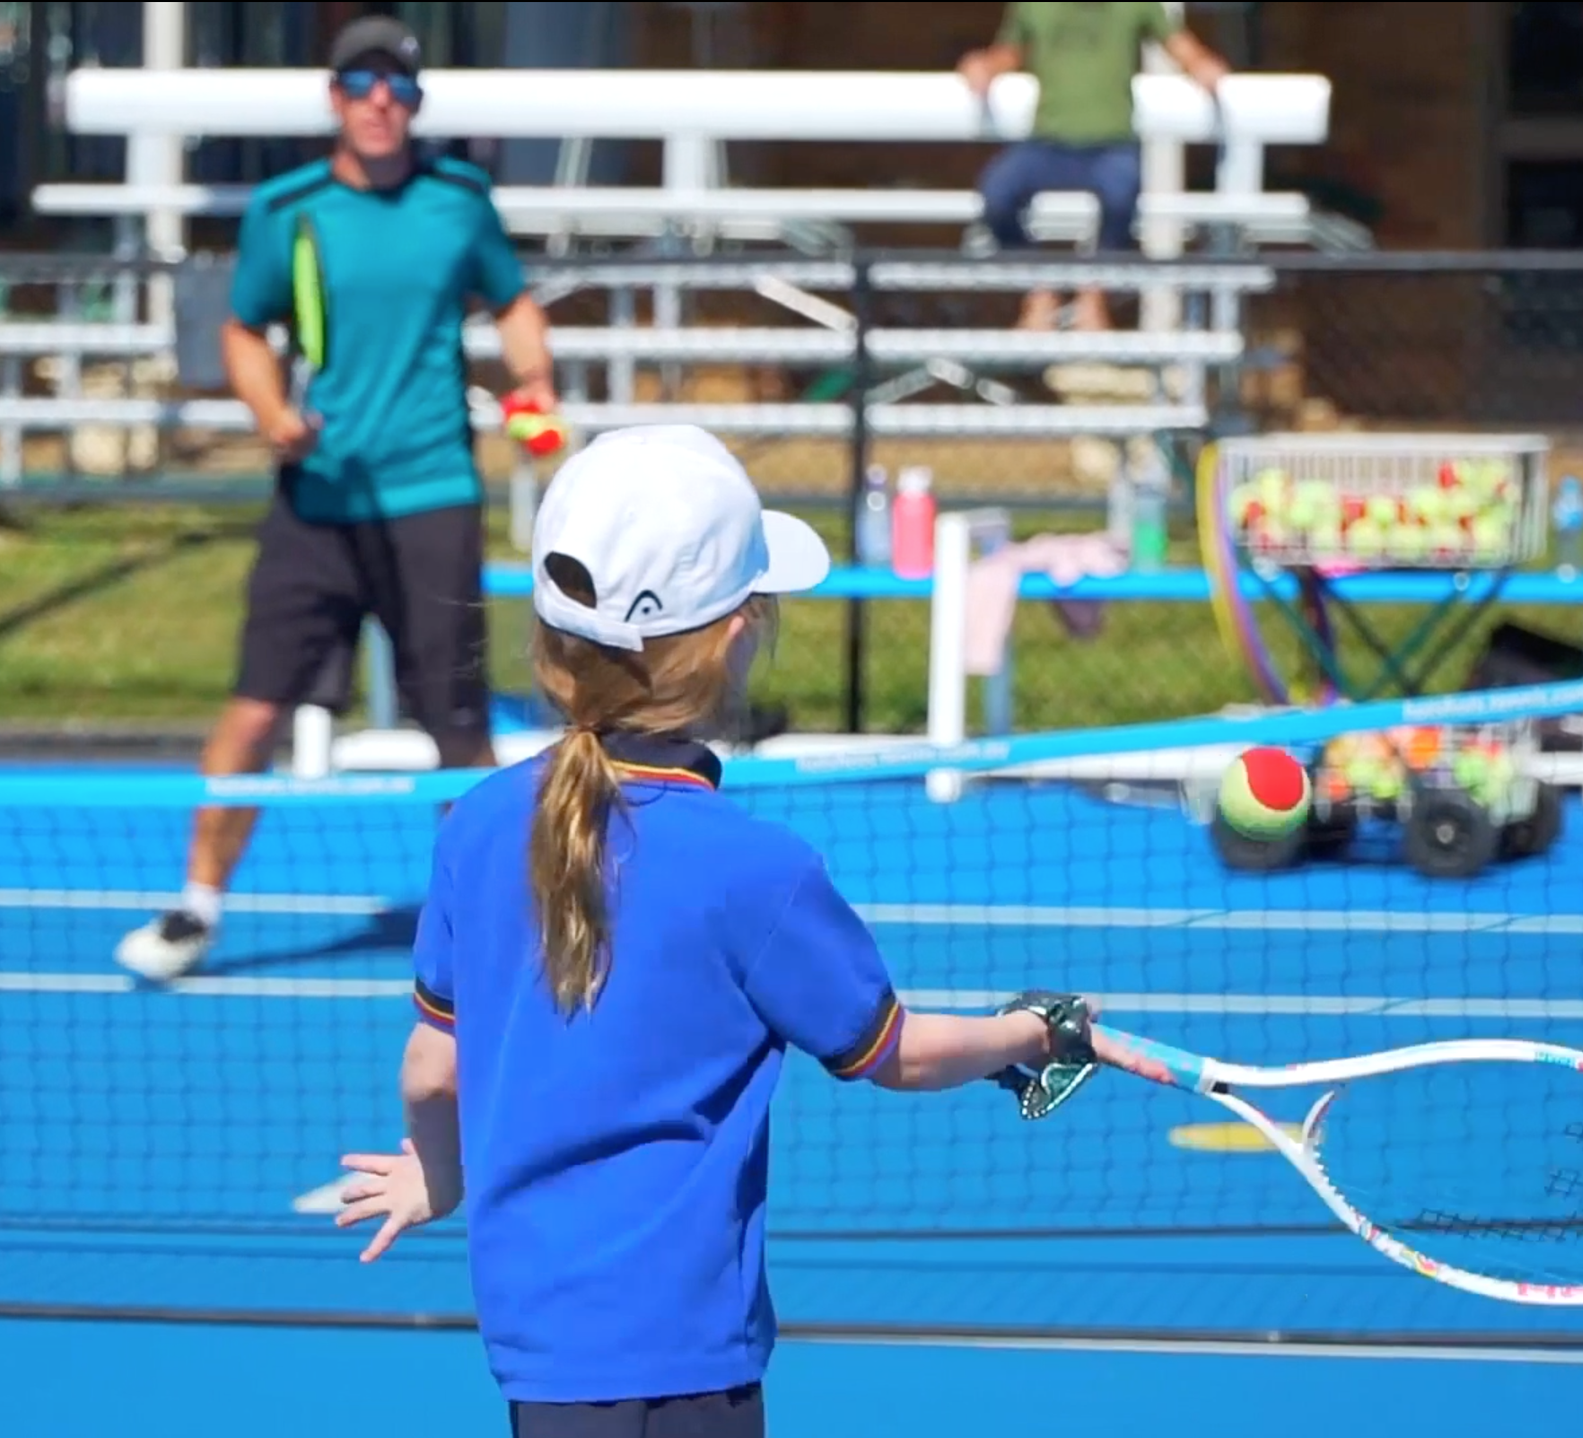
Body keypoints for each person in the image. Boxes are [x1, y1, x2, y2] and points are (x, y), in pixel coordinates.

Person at [331, 425, 1104, 1436]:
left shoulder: (476, 821)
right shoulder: (757, 869)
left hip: (532, 1348)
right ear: (738, 632)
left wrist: (440, 1171)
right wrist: (1032, 1035)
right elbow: (895, 1053)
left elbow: (433, 1067)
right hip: (682, 1361)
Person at [117, 15, 555, 982]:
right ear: (335, 99)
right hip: (317, 503)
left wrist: (535, 383)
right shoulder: (289, 208)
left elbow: (512, 302)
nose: (380, 103)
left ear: (415, 104)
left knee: (459, 725)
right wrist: (272, 410)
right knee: (254, 710)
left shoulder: (458, 201)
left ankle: (490, 924)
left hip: (433, 491)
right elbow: (242, 330)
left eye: (397, 87)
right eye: (362, 85)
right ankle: (196, 907)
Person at [958, 2, 1231, 331]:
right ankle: (1039, 291)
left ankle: (1094, 296)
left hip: (1110, 144)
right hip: (1048, 141)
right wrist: (985, 66)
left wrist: (1202, 64)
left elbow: (1177, 43)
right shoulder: (1034, 6)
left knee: (1123, 191)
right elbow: (1011, 51)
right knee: (998, 192)